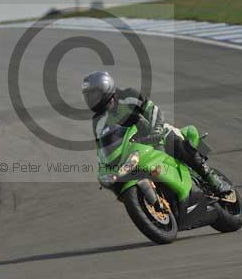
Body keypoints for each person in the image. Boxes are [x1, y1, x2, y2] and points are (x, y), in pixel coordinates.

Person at [82, 70, 232, 195]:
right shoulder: (98, 121)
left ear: (105, 88)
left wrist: (156, 131)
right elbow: (102, 148)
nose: (90, 99)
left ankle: (211, 178)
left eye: (93, 94)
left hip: (154, 132)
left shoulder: (127, 96)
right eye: (87, 96)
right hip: (133, 149)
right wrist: (105, 167)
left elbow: (153, 110)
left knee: (175, 142)